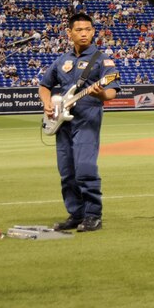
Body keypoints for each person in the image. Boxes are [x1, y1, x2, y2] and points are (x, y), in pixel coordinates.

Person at [39, 12, 120, 232]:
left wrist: (100, 94)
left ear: (93, 32)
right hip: (62, 121)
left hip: (88, 118)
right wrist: (47, 103)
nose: (84, 34)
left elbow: (111, 91)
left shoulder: (102, 60)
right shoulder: (62, 60)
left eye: (88, 30)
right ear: (69, 33)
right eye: (79, 30)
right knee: (66, 171)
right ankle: (76, 214)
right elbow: (44, 85)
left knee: (85, 168)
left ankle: (93, 215)